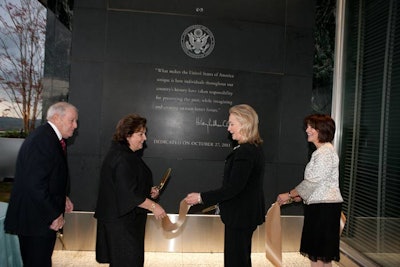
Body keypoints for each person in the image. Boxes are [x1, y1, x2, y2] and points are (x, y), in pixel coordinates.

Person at [185, 104, 265, 267]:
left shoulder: (245, 152)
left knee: (236, 260)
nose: (228, 129)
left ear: (244, 123)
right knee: (241, 258)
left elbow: (233, 188)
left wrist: (201, 197)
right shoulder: (252, 149)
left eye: (231, 124)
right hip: (244, 214)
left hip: (240, 216)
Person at [4, 102, 78, 267]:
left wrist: (62, 197)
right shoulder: (42, 140)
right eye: (72, 120)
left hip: (39, 219)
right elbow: (34, 185)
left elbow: (49, 177)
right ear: (57, 118)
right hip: (36, 221)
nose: (75, 126)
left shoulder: (48, 137)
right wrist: (53, 213)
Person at [94, 113, 167, 267]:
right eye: (140, 134)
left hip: (123, 221)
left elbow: (126, 184)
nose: (145, 138)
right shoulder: (122, 158)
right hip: (121, 225)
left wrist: (147, 190)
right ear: (127, 135)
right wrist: (154, 206)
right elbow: (128, 194)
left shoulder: (123, 154)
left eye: (145, 133)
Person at [276, 114, 343, 267]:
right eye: (307, 126)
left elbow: (312, 182)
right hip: (324, 207)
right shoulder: (323, 152)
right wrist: (297, 197)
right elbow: (317, 184)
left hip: (323, 209)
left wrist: (289, 194)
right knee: (324, 255)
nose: (307, 130)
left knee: (317, 254)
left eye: (311, 127)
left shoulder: (324, 153)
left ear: (322, 130)